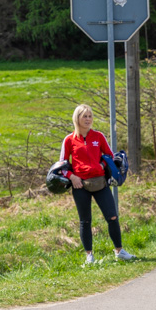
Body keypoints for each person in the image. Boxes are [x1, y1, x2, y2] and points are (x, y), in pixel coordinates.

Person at [59, 104, 136, 264]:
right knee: (85, 221)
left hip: (100, 183)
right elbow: (62, 165)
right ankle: (89, 256)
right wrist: (73, 177)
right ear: (77, 118)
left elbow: (110, 157)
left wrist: (102, 166)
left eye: (90, 116)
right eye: (84, 116)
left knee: (112, 217)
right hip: (80, 185)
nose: (88, 119)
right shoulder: (69, 140)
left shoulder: (98, 136)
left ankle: (119, 251)